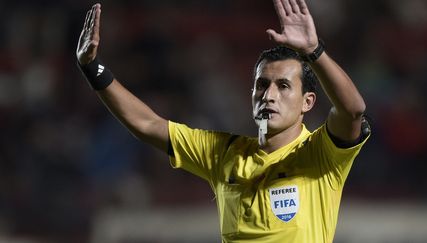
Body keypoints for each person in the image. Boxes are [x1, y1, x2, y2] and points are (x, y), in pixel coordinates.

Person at [76, 0, 370, 242]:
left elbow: (352, 111)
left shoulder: (320, 153)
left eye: (283, 86)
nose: (268, 95)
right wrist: (92, 68)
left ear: (307, 101)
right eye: (261, 85)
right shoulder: (225, 154)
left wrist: (313, 51)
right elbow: (148, 124)